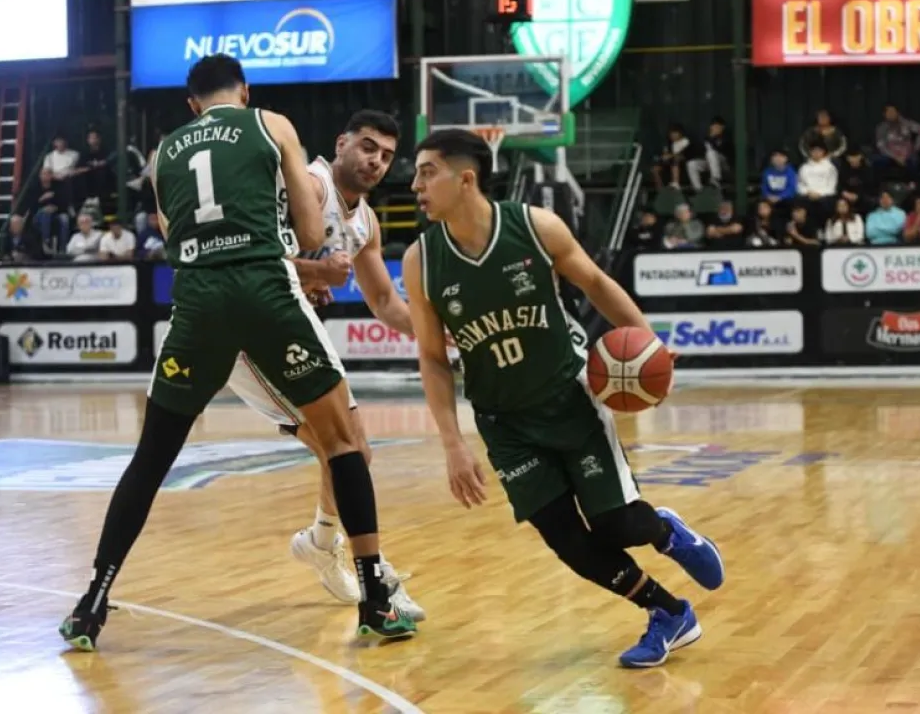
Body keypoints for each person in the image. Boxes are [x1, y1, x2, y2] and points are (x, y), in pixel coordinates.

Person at [58, 54, 417, 651]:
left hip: (196, 305)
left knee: (150, 460)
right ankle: (375, 598)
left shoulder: (163, 152)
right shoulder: (272, 125)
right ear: (244, 92)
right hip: (263, 294)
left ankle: (92, 600)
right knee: (345, 441)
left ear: (192, 103)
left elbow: (174, 237)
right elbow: (305, 235)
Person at [403, 129, 724, 669]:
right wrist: (453, 444)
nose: (415, 184)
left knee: (617, 526)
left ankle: (664, 530)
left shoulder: (533, 226)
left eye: (427, 171)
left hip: (569, 398)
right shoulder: (422, 261)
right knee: (568, 543)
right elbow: (434, 359)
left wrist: (650, 347)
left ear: (466, 179)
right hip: (504, 421)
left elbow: (597, 284)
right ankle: (668, 613)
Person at [226, 110, 424, 620]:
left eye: (385, 155)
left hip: (288, 335)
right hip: (249, 333)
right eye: (366, 147)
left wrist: (443, 339)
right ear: (340, 143)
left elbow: (385, 303)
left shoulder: (367, 222)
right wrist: (317, 270)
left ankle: (322, 540)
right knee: (349, 452)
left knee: (354, 453)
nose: (375, 161)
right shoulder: (310, 188)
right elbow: (244, 256)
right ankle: (372, 571)